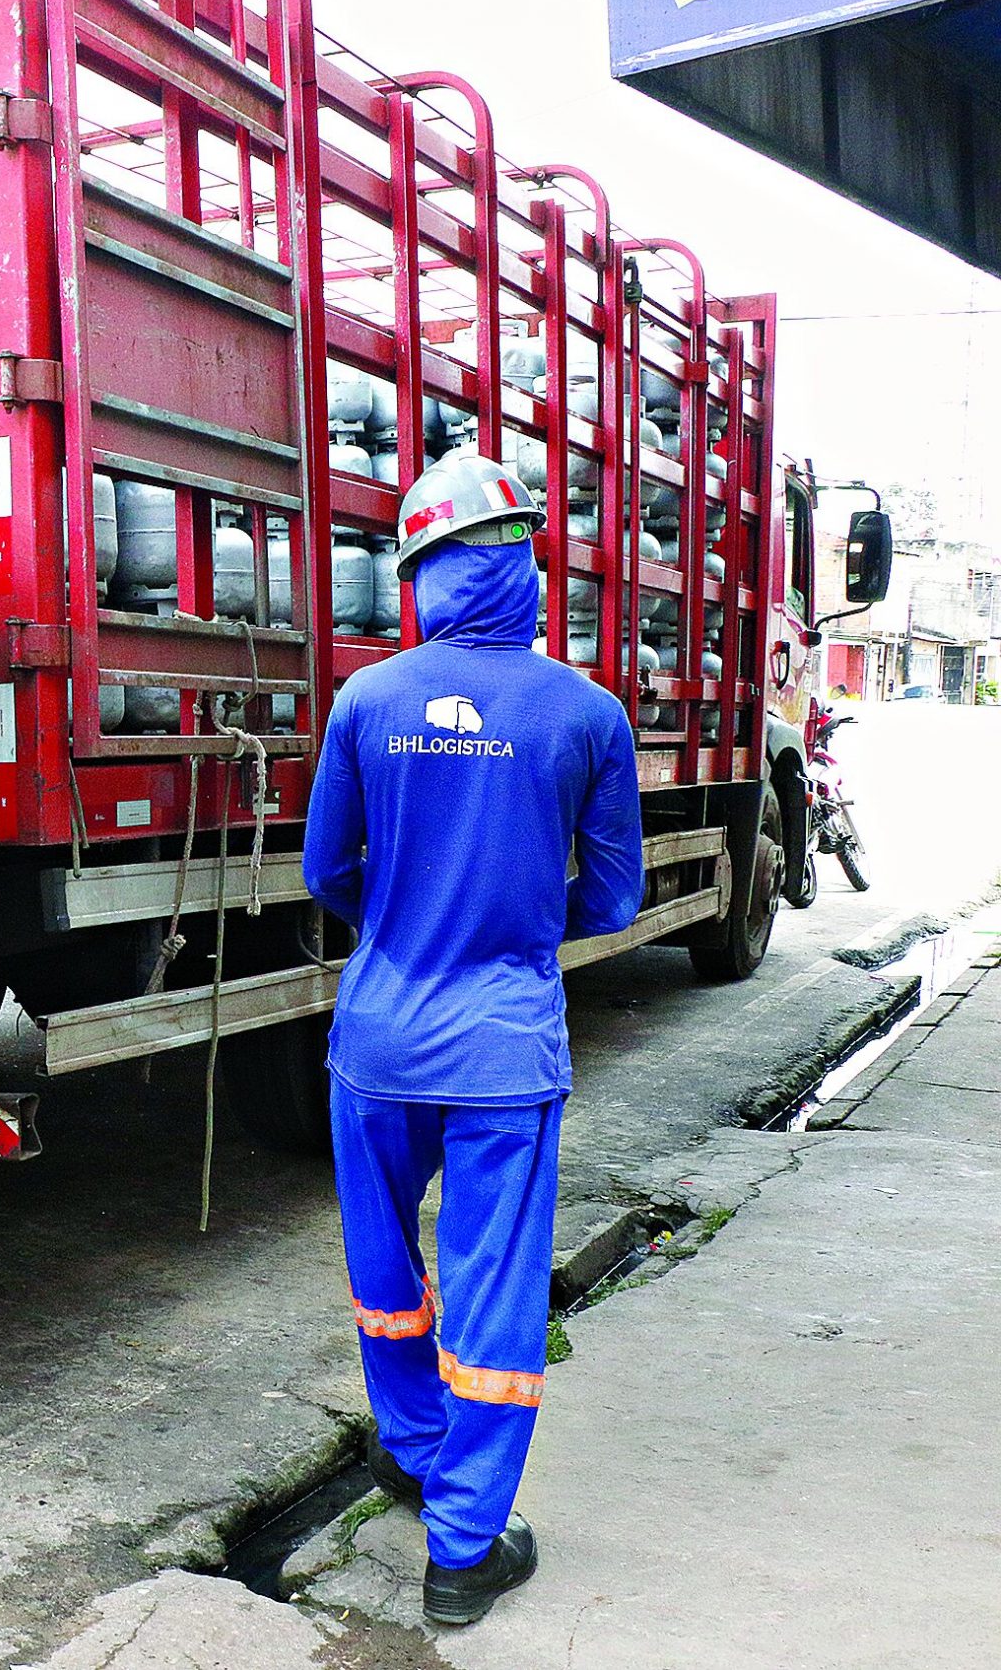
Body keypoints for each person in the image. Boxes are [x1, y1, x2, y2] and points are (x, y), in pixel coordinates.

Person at [300, 449, 644, 1626]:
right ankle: (462, 1550)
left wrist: (399, 923)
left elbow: (323, 869)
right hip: (503, 1051)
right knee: (492, 1290)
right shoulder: (585, 712)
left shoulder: (368, 699)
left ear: (422, 573)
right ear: (521, 559)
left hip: (379, 1043)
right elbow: (610, 898)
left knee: (386, 1270)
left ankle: (408, 1451)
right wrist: (516, 923)